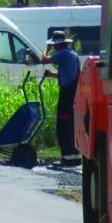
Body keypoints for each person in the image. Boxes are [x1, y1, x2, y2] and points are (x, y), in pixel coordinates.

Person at [41, 31, 82, 167]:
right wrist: (52, 74)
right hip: (74, 92)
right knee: (71, 125)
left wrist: (47, 48)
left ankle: (66, 158)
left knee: (63, 126)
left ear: (57, 45)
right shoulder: (72, 54)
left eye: (54, 45)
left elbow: (43, 60)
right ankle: (75, 157)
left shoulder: (62, 53)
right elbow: (67, 73)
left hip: (67, 94)